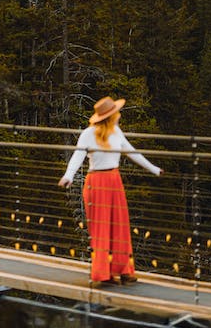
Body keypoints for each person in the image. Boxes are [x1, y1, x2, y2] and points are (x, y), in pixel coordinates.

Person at [58, 95, 162, 286]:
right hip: (96, 182)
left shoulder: (116, 132)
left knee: (120, 226)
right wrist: (69, 176)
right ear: (110, 116)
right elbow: (77, 156)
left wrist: (154, 169)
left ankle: (124, 271)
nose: (119, 115)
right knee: (101, 228)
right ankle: (103, 273)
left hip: (114, 180)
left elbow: (132, 152)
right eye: (116, 112)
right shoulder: (88, 134)